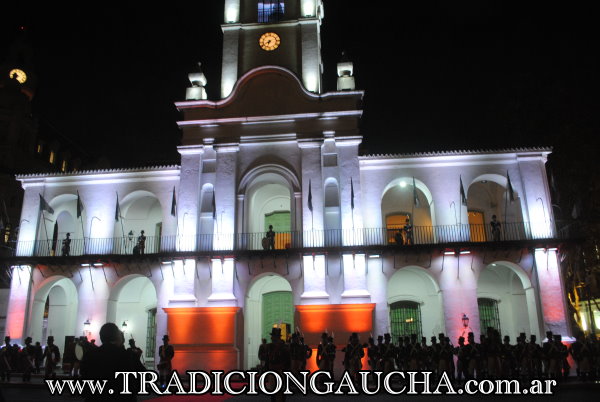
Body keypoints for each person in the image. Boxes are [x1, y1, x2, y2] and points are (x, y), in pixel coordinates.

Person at [80, 323, 145, 402]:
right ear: (117, 337)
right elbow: (142, 378)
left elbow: (84, 379)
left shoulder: (89, 355)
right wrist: (136, 359)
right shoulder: (126, 355)